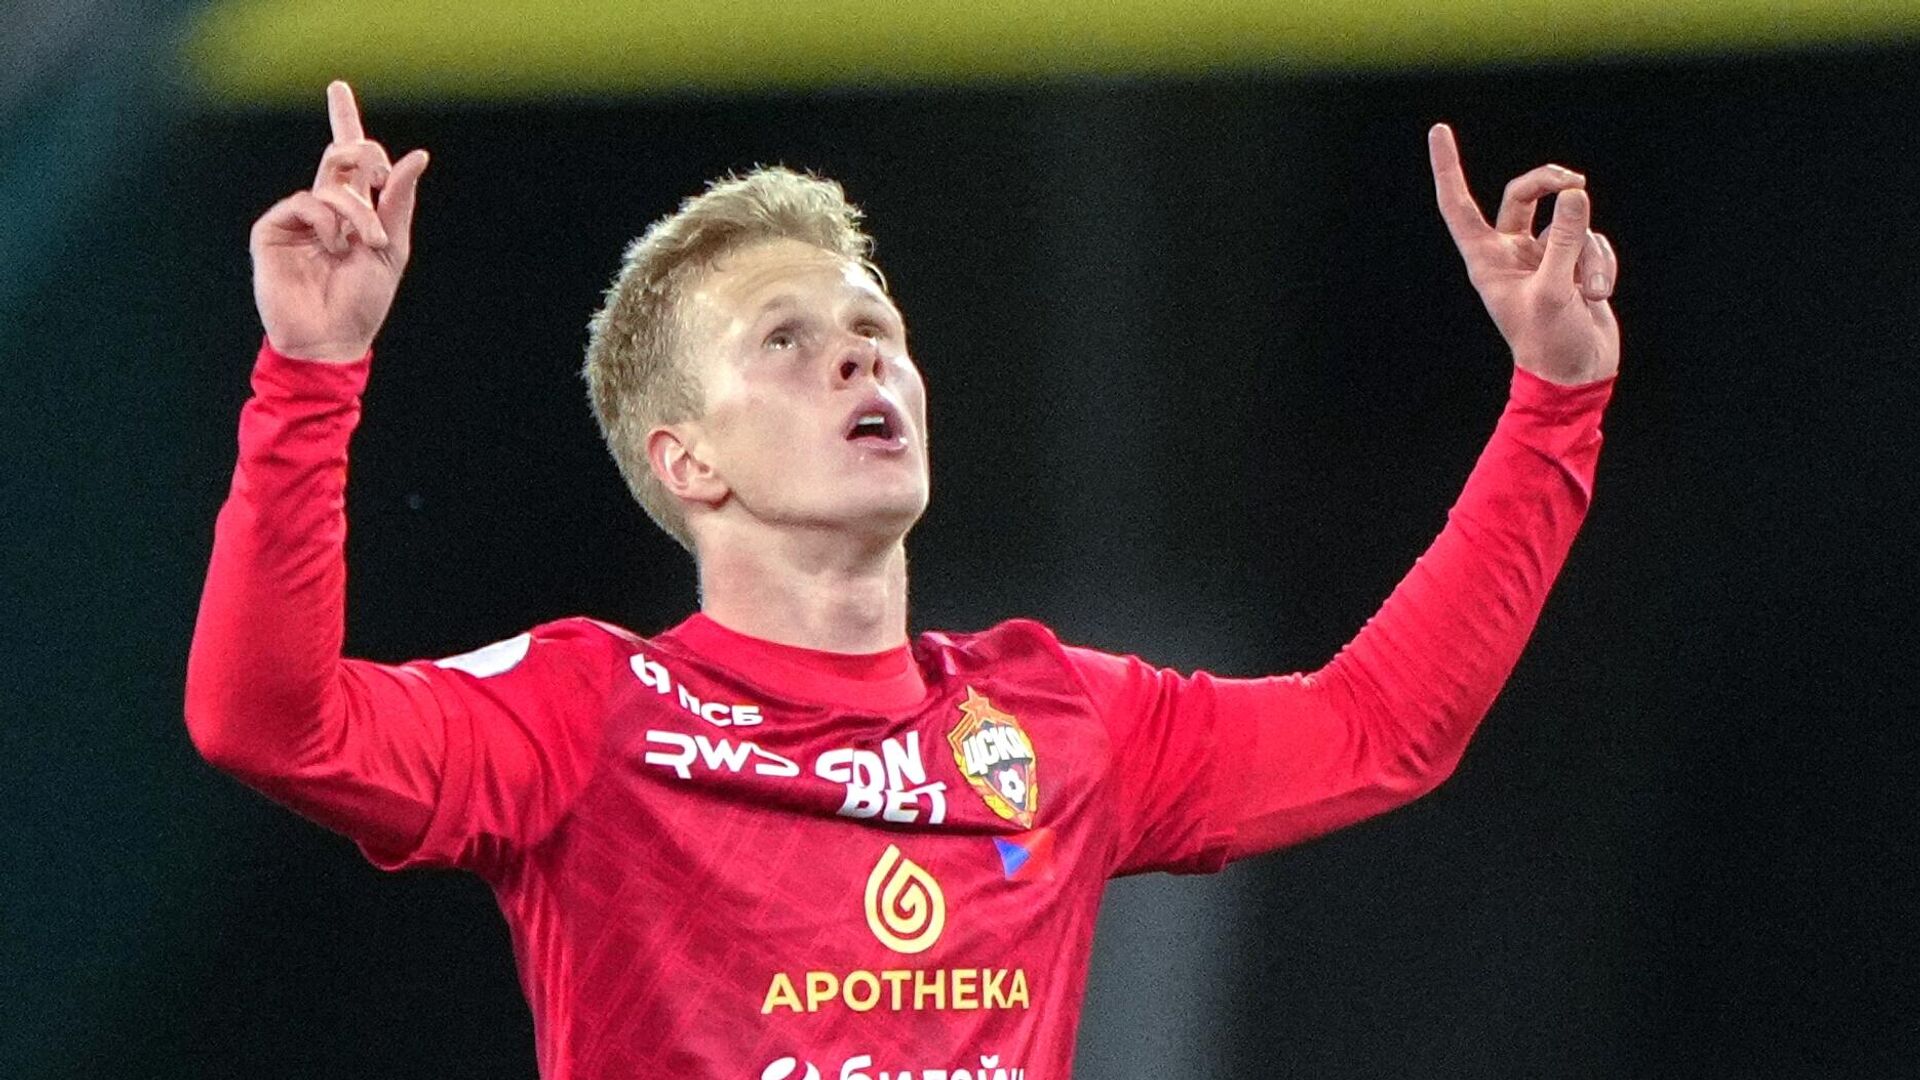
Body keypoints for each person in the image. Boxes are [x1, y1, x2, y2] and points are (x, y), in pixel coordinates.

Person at [186, 81, 1619, 1079]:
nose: (863, 355)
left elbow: (1379, 730)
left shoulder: (1052, 724)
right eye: (786, 340)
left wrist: (1555, 399)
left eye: (876, 327)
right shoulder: (587, 715)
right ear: (688, 459)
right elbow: (268, 724)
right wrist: (310, 373)